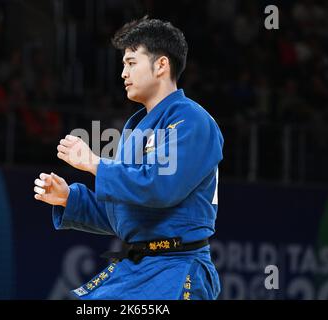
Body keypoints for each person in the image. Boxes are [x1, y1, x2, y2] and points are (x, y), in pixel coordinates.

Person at [34, 17, 224, 300]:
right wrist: (69, 199)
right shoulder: (135, 128)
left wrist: (95, 163)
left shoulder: (191, 120)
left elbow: (160, 188)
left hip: (177, 268)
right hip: (138, 267)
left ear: (161, 65)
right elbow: (127, 213)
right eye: (124, 64)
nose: (123, 73)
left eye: (132, 63)